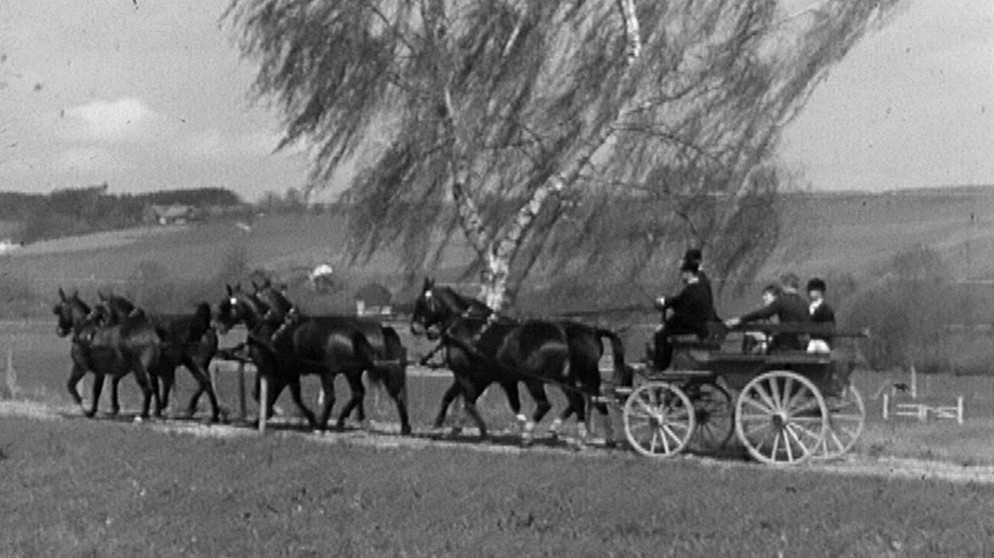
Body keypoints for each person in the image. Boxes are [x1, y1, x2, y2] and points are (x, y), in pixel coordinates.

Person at [652, 260, 716, 370]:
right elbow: (679, 301)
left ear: (688, 273)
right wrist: (666, 301)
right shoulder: (700, 287)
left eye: (682, 273)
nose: (682, 276)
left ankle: (660, 367)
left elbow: (681, 314)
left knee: (661, 334)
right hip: (701, 327)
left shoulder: (690, 291)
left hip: (696, 328)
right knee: (665, 331)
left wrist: (665, 325)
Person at [725, 273, 810, 352]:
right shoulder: (804, 304)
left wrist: (741, 319)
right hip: (800, 346)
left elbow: (762, 314)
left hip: (785, 346)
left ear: (785, 285)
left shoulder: (782, 301)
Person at [806, 277, 835, 353]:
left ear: (820, 292)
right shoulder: (809, 307)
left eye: (812, 290)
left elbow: (829, 327)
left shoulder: (826, 308)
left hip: (823, 341)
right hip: (812, 340)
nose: (810, 292)